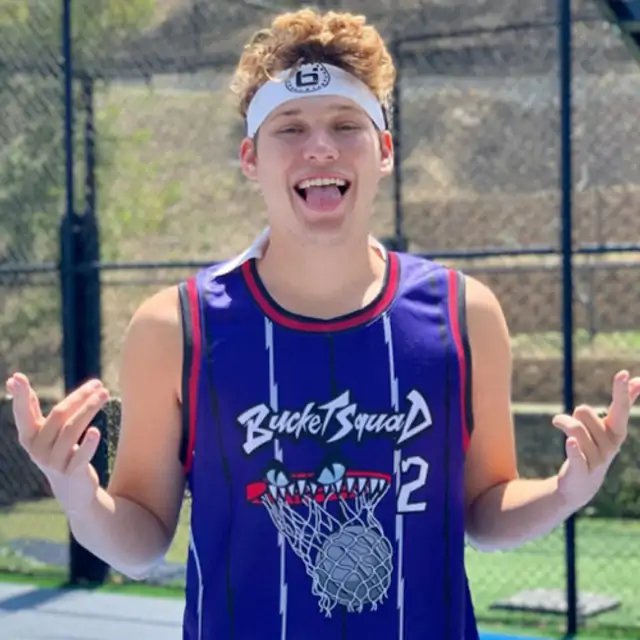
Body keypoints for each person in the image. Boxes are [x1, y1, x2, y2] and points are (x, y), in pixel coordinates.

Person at [5, 9, 640, 640]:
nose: (320, 147)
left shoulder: (464, 313)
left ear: (384, 150)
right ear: (250, 158)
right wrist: (77, 494)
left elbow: (485, 510)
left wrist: (565, 491)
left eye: (345, 124)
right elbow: (141, 544)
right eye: (290, 128)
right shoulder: (175, 326)